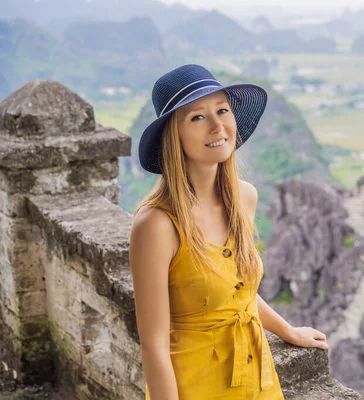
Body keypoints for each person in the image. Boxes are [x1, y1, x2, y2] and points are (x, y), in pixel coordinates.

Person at [128, 64, 329, 400]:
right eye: (197, 117)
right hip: (195, 385)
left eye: (222, 110)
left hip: (258, 379)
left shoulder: (243, 198)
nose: (218, 125)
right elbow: (153, 345)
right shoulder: (157, 225)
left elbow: (240, 294)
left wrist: (286, 330)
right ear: (173, 136)